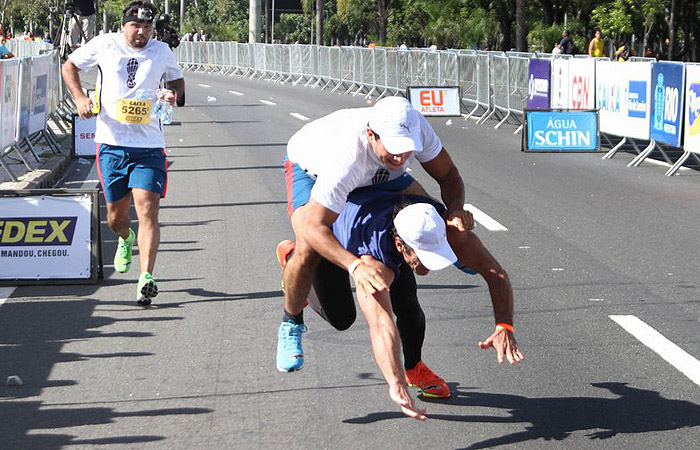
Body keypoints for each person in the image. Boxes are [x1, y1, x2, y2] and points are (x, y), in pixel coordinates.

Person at [277, 187, 523, 420]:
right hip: (334, 238)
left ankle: (414, 368)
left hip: (384, 220)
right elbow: (381, 325)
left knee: (408, 304)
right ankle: (294, 264)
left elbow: (496, 273)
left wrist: (505, 325)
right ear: (400, 245)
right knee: (342, 318)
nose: (427, 267)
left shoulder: (441, 225)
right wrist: (395, 384)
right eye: (423, 257)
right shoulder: (375, 260)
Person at [276, 96, 474, 374]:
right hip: (312, 170)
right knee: (309, 249)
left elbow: (449, 175)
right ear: (371, 134)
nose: (401, 157)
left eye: (407, 150)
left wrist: (454, 211)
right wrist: (355, 266)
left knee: (427, 211)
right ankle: (291, 320)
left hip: (376, 171)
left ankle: (453, 250)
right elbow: (314, 226)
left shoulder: (415, 125)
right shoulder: (346, 161)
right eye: (394, 149)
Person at [61, 0, 185, 305]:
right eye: (135, 26)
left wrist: (173, 95)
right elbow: (70, 66)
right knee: (117, 216)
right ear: (123, 26)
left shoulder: (161, 51)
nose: (141, 32)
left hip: (149, 146)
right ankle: (126, 239)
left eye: (147, 26)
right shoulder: (105, 44)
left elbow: (178, 83)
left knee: (148, 210)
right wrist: (79, 97)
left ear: (153, 29)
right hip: (112, 144)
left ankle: (146, 277)